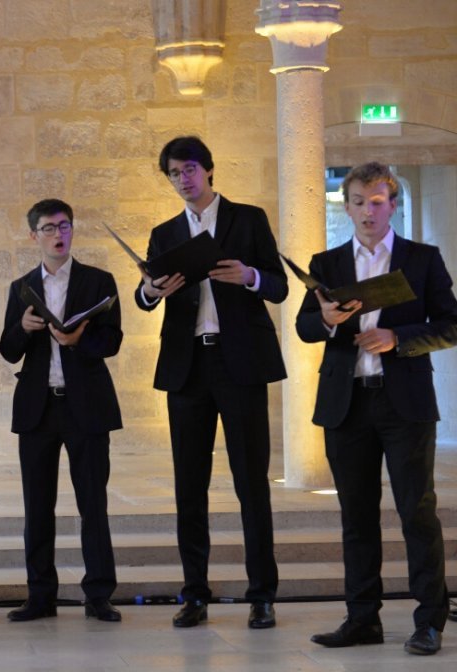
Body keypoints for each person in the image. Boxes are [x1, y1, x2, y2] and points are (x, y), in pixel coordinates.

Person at [297, 162, 454, 655]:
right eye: (360, 201)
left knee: (417, 512)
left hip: (403, 402)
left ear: (393, 204)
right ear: (347, 206)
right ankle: (362, 618)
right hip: (347, 403)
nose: (370, 210)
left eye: (379, 200)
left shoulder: (422, 259)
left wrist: (397, 337)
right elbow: (305, 328)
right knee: (356, 517)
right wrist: (324, 318)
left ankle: (429, 621)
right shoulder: (326, 263)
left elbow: (450, 325)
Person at [134, 136, 285, 629]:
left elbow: (279, 286)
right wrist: (150, 290)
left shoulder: (249, 219)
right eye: (175, 173)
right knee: (189, 486)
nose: (184, 179)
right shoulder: (165, 232)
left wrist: (248, 276)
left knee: (250, 483)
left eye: (191, 169)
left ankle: (262, 594)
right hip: (188, 368)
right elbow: (144, 294)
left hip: (240, 364)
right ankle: (194, 594)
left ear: (209, 170)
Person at [0, 199, 123, 623]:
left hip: (86, 405)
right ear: (34, 236)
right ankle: (40, 595)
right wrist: (24, 329)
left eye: (64, 226)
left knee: (93, 503)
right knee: (38, 505)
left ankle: (99, 594)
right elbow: (7, 350)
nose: (58, 234)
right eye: (48, 228)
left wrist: (77, 343)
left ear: (72, 231)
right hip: (38, 408)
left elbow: (112, 341)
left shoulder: (98, 280)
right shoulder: (22, 287)